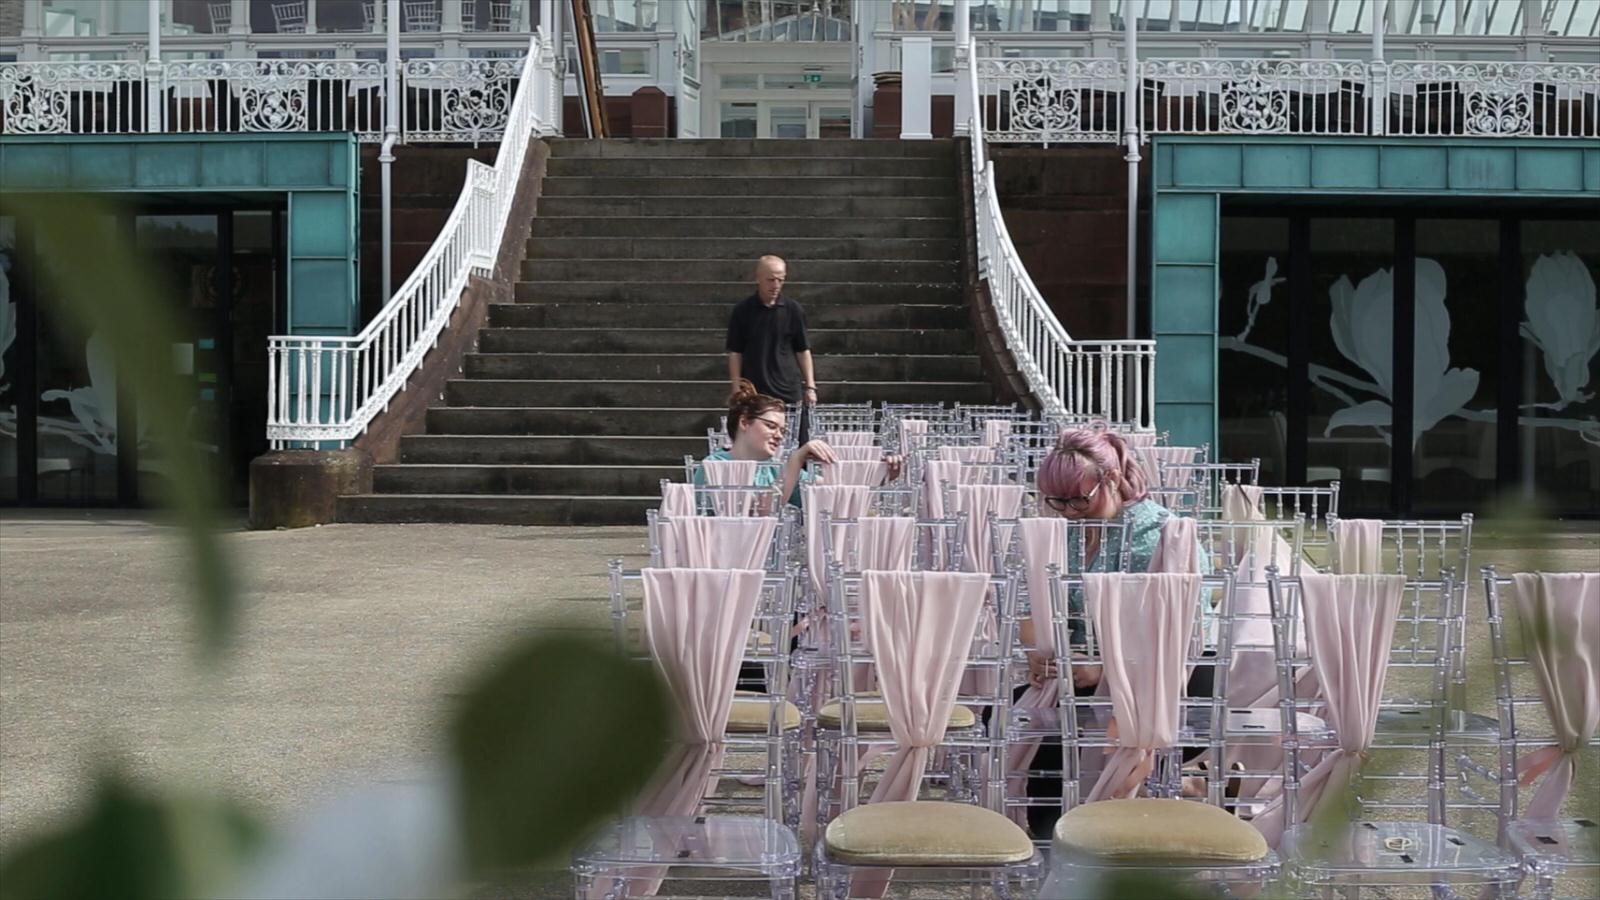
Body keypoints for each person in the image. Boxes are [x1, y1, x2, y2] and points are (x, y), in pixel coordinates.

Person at [1015, 428, 1214, 836]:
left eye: (1077, 499)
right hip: (1078, 678)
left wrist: (1106, 669)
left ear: (1112, 480)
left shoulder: (1164, 535)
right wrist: (1039, 650)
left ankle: (1076, 841)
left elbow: (1185, 635)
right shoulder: (1064, 533)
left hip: (1166, 682)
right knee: (1015, 719)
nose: (1067, 511)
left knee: (1048, 745)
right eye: (1056, 502)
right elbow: (1029, 607)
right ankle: (1064, 839)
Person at [695, 380, 836, 508]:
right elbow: (757, 513)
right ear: (744, 423)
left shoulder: (775, 468)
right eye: (770, 426)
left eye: (782, 431)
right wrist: (796, 460)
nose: (779, 436)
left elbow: (832, 489)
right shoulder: (714, 466)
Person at [726, 255, 816, 443]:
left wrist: (810, 386)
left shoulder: (793, 309)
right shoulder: (743, 311)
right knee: (756, 440)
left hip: (788, 387)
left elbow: (803, 350)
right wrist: (736, 387)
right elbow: (735, 352)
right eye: (771, 279)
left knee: (797, 440)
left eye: (780, 280)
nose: (775, 285)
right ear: (758, 278)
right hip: (756, 387)